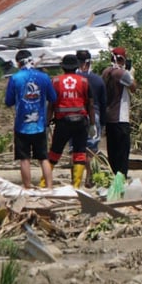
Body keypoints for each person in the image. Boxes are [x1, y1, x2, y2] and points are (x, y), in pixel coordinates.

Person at [4, 50, 57, 189]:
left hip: (22, 125)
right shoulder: (44, 77)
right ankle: (49, 187)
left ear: (18, 62)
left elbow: (8, 101)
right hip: (39, 124)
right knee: (43, 157)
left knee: (24, 158)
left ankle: (27, 187)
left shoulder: (15, 78)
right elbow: (53, 98)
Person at [46, 54, 94, 188]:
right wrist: (93, 124)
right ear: (77, 66)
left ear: (63, 67)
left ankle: (44, 183)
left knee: (54, 153)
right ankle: (76, 185)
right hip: (81, 122)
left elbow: (50, 105)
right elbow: (90, 104)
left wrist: (46, 123)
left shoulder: (55, 81)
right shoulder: (84, 82)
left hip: (62, 123)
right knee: (79, 153)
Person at [102, 47, 137, 179]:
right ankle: (121, 179)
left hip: (109, 118)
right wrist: (130, 73)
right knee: (122, 153)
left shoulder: (106, 72)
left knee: (112, 152)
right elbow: (133, 87)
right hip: (121, 118)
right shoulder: (121, 73)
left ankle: (114, 177)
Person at [75, 49, 106, 186]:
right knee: (91, 149)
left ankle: (77, 179)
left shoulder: (73, 80)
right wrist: (103, 123)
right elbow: (103, 102)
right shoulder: (97, 80)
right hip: (95, 116)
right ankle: (89, 176)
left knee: (77, 149)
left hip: (76, 115)